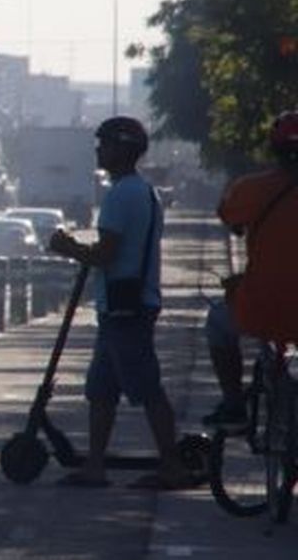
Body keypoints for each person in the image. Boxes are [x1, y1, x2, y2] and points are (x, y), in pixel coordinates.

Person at [46, 116, 196, 489]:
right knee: (101, 389)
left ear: (123, 149)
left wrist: (69, 248)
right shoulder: (142, 192)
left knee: (147, 387)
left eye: (105, 144)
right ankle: (95, 465)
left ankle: (172, 466)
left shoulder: (121, 195)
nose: (99, 150)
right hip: (119, 305)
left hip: (128, 306)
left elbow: (106, 254)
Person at [204, 110, 298, 425]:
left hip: (262, 307)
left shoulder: (251, 189)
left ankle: (233, 405)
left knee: (217, 323)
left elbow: (228, 215)